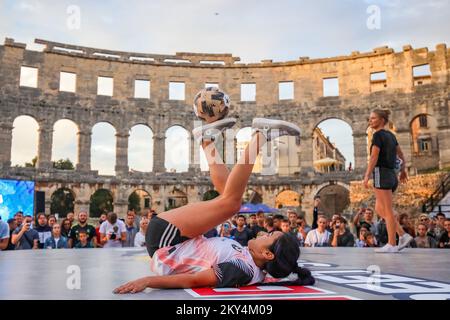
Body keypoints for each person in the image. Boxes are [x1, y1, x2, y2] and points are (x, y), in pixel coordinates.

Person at [114, 116, 314, 294]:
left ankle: (260, 136)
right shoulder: (251, 261)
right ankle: (206, 139)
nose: (263, 233)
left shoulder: (243, 270)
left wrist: (148, 281)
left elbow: (193, 280)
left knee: (232, 203)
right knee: (228, 194)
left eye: (269, 236)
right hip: (179, 238)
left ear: (267, 254)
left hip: (166, 243)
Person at [363, 109, 412, 253]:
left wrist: (367, 175)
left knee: (388, 211)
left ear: (382, 120)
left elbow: (374, 157)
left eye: (373, 118)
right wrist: (403, 170)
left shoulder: (377, 135)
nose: (370, 121)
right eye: (370, 118)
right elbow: (401, 154)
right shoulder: (391, 135)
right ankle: (402, 235)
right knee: (379, 209)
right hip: (391, 175)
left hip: (381, 173)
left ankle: (391, 243)